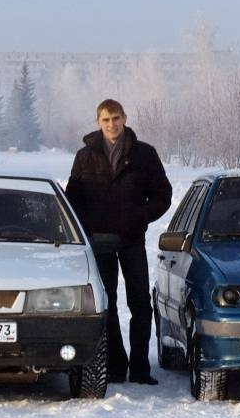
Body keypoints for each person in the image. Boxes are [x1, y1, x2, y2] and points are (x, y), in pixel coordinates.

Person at [65, 99, 173, 385]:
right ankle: (115, 365)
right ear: (98, 122)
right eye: (105, 120)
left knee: (140, 304)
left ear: (125, 118)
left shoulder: (144, 154)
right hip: (99, 242)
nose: (111, 124)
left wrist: (140, 216)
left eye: (115, 118)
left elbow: (163, 195)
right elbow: (72, 198)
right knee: (106, 303)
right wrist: (85, 228)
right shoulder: (85, 156)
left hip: (132, 239)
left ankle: (140, 368)